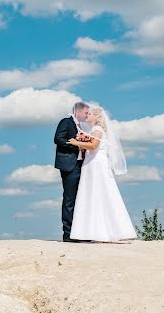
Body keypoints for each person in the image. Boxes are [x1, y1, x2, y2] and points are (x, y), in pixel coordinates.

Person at [69, 107, 137, 242]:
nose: (87, 116)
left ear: (97, 117)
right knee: (94, 193)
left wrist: (77, 142)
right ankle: (95, 231)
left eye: (89, 114)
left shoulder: (97, 130)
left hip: (96, 164)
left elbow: (94, 146)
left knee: (97, 192)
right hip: (92, 163)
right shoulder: (94, 130)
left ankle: (99, 231)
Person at [54, 101, 90, 242]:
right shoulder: (66, 122)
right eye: (86, 113)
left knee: (79, 198)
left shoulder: (81, 126)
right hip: (69, 164)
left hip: (81, 164)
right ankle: (68, 233)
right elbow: (58, 139)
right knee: (69, 199)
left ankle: (79, 232)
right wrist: (74, 142)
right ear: (78, 111)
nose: (87, 115)